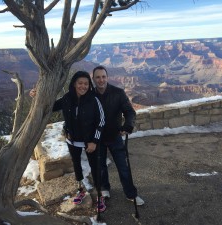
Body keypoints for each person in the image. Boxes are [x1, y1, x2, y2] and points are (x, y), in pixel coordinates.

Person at [30, 71, 106, 212]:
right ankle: (80, 189)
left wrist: (94, 141)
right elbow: (51, 106)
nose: (83, 86)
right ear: (74, 84)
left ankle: (100, 195)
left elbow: (101, 121)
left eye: (86, 84)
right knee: (77, 166)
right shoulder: (67, 98)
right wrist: (37, 97)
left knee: (95, 167)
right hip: (72, 141)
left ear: (89, 85)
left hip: (90, 142)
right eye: (80, 83)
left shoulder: (94, 99)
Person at [92, 65, 145, 206]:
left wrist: (128, 125)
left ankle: (131, 194)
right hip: (98, 138)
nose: (101, 80)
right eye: (98, 77)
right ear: (93, 79)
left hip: (115, 136)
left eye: (103, 76)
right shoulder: (90, 95)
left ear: (107, 77)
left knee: (123, 167)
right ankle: (104, 189)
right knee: (101, 166)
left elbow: (130, 112)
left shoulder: (118, 93)